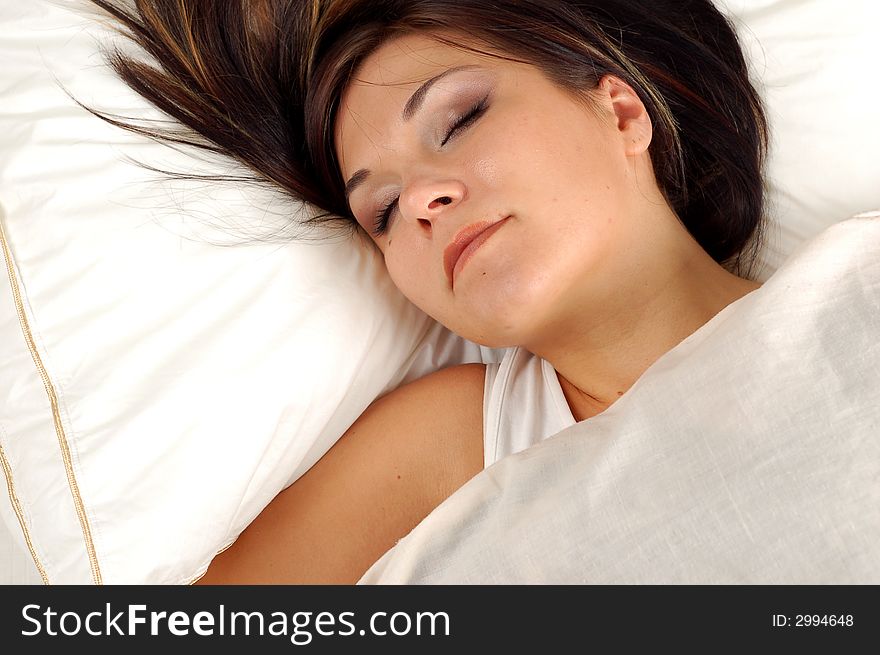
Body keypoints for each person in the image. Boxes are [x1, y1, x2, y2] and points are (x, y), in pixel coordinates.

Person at [87, 0, 768, 583]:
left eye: (459, 118)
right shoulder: (456, 442)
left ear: (620, 111)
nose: (417, 198)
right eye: (381, 212)